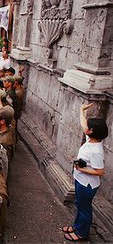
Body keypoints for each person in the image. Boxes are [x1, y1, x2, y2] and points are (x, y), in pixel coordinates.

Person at [61, 103, 107, 242]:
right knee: (79, 205)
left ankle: (82, 233)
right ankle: (77, 226)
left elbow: (100, 171)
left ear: (91, 131)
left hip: (87, 184)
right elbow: (83, 124)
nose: (85, 126)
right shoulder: (91, 139)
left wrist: (82, 169)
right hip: (81, 180)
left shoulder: (96, 151)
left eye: (88, 126)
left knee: (84, 209)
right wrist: (81, 110)